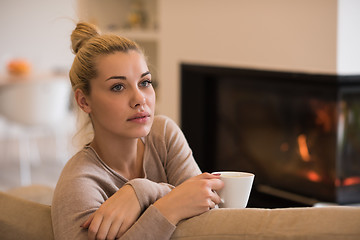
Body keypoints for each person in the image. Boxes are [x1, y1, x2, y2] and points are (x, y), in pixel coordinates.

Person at [51, 22, 224, 240]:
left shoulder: (163, 134)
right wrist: (169, 207)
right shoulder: (78, 184)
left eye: (145, 82)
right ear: (84, 101)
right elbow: (193, 196)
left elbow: (208, 208)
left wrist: (142, 191)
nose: (140, 99)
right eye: (118, 87)